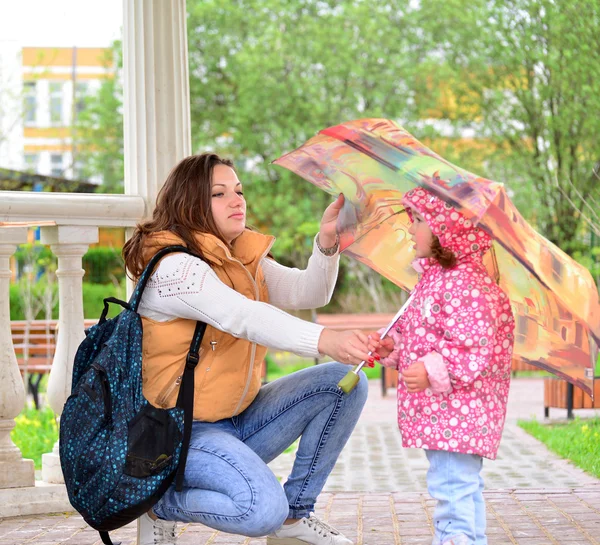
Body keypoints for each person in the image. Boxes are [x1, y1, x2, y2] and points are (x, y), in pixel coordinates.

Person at [122, 153, 376, 545]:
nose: (237, 200)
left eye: (239, 191)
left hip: (240, 419)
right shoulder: (173, 267)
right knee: (260, 510)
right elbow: (240, 315)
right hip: (182, 434)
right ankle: (161, 502)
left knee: (345, 382)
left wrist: (327, 243)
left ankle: (293, 518)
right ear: (189, 203)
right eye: (220, 194)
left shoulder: (237, 256)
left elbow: (308, 291)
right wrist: (325, 340)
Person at [368, 187, 515, 545]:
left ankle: (456, 539)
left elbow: (473, 347)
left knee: (452, 489)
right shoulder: (434, 280)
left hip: (458, 415)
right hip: (444, 414)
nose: (410, 229)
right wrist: (395, 347)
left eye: (418, 220)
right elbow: (423, 335)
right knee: (460, 488)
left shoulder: (467, 284)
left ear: (445, 229)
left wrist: (431, 369)